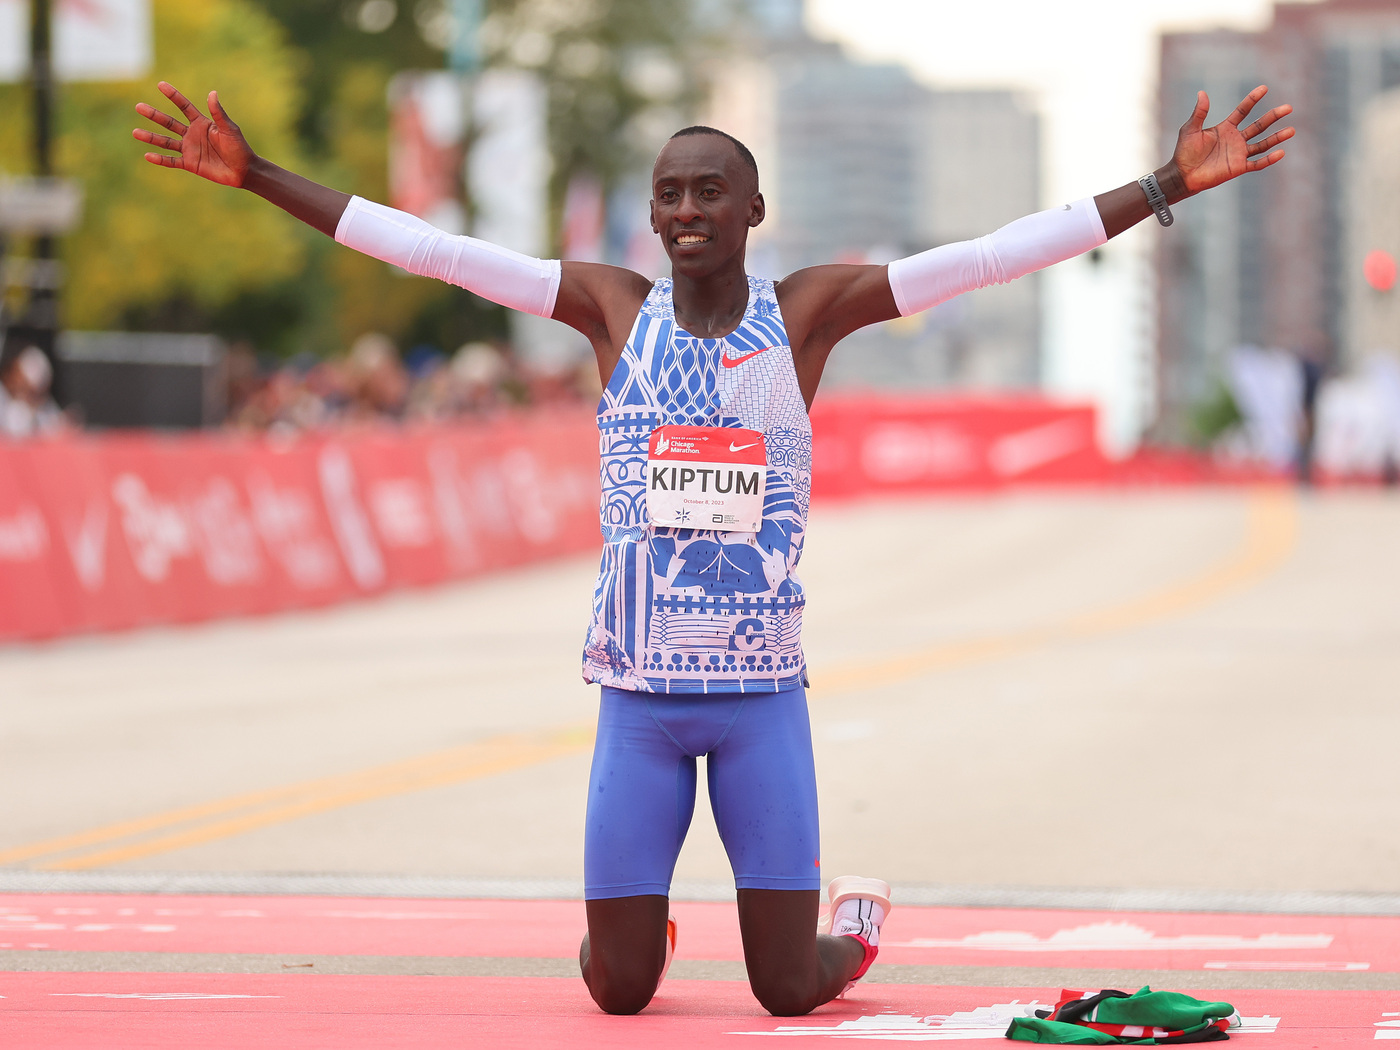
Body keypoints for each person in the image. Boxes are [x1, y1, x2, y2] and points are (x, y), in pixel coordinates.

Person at [133, 78, 1293, 1016]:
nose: (685, 210)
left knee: (786, 992)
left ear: (751, 211)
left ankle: (856, 921)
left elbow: (992, 254)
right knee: (617, 989)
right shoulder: (604, 308)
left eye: (709, 193)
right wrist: (254, 179)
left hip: (757, 705)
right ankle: (637, 926)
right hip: (637, 705)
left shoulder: (805, 316)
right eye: (668, 194)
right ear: (652, 216)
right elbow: (428, 250)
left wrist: (1160, 183)